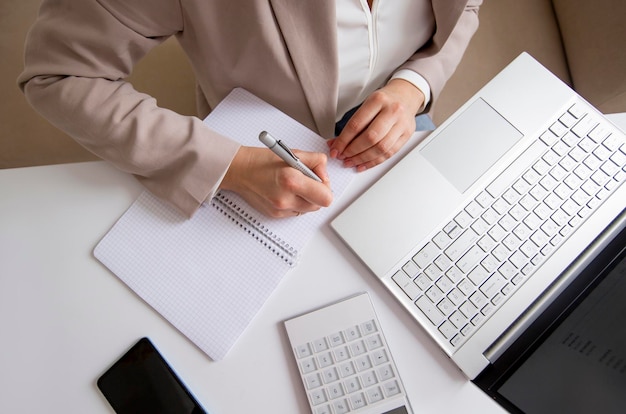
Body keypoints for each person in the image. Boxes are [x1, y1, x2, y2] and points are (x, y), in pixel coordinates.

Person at [18, 0, 482, 219]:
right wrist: (231, 167)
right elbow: (60, 75)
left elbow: (464, 9)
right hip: (264, 152)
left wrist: (413, 86)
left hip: (407, 121)